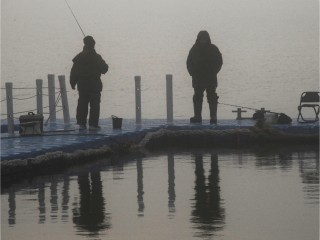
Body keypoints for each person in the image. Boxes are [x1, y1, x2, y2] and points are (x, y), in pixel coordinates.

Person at [70, 36, 109, 130]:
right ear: (93, 44)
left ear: (85, 44)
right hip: (94, 85)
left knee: (82, 104)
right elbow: (104, 69)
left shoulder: (78, 57)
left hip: (82, 85)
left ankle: (81, 124)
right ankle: (93, 125)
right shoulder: (96, 57)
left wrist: (72, 83)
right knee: (94, 105)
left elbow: (73, 72)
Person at [187, 31, 223, 124]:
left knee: (212, 96)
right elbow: (189, 62)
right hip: (197, 78)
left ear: (208, 39)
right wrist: (192, 73)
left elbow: (219, 61)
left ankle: (213, 117)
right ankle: (197, 116)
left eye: (204, 39)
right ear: (198, 39)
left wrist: (214, 71)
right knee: (197, 96)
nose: (203, 41)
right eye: (201, 39)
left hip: (210, 78)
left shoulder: (213, 49)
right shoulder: (194, 49)